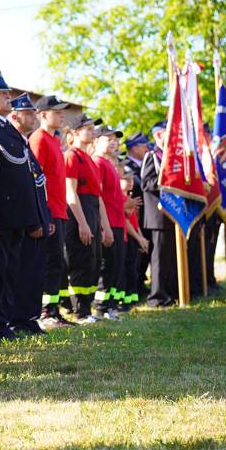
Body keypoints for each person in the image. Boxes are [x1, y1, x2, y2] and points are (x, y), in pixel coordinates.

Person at [0, 72, 43, 340]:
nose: (8, 98)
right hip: (2, 213)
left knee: (10, 272)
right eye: (3, 94)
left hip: (17, 214)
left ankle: (5, 321)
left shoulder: (5, 129)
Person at [8, 93, 52, 335]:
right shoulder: (15, 141)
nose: (33, 117)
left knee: (34, 273)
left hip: (38, 217)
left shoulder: (23, 143)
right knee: (22, 273)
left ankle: (29, 317)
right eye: (28, 112)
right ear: (15, 116)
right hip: (25, 220)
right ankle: (19, 318)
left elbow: (38, 184)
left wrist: (45, 217)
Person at [30, 95, 75, 329]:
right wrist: (43, 214)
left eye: (62, 112)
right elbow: (35, 180)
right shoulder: (38, 139)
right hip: (48, 212)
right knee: (49, 263)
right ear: (43, 114)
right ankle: (45, 312)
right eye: (57, 112)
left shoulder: (55, 140)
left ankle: (54, 310)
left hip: (59, 210)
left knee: (57, 263)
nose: (62, 115)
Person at [63, 113, 109, 323]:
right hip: (78, 213)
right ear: (74, 133)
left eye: (92, 128)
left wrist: (104, 226)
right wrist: (81, 223)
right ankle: (79, 310)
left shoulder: (89, 159)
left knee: (93, 261)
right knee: (80, 261)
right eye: (87, 128)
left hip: (92, 211)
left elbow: (98, 197)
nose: (92, 131)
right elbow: (70, 192)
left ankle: (88, 308)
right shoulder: (71, 156)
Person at [141, 120, 177, 307]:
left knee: (170, 258)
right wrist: (169, 184)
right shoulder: (152, 156)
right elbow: (146, 183)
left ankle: (170, 293)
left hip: (171, 214)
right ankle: (157, 297)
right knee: (160, 258)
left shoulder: (169, 156)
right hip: (158, 215)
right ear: (159, 135)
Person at [93, 126, 126, 320]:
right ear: (96, 141)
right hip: (109, 223)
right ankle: (101, 307)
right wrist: (105, 227)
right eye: (108, 139)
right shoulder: (98, 163)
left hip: (118, 222)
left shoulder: (109, 163)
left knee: (116, 267)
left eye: (115, 139)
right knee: (107, 267)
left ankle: (110, 306)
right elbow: (98, 198)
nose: (113, 142)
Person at [124, 131, 151, 299]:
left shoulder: (143, 164)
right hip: (132, 216)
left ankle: (140, 284)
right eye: (142, 145)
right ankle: (135, 287)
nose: (146, 147)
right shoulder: (127, 167)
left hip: (146, 215)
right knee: (134, 256)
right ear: (133, 148)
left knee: (144, 252)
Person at [120, 165, 149, 308]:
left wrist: (141, 237)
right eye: (126, 179)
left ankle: (132, 298)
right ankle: (124, 300)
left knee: (133, 270)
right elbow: (125, 221)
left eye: (132, 178)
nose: (130, 181)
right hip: (127, 237)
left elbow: (135, 222)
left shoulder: (128, 197)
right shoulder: (121, 198)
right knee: (125, 270)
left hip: (133, 237)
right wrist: (139, 238)